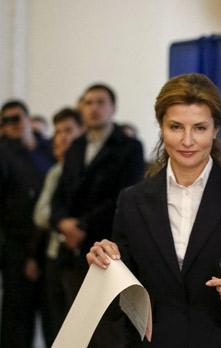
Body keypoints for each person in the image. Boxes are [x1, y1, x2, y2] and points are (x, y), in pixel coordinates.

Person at [86, 73, 221, 347]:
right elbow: (120, 303)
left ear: (215, 130)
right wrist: (104, 267)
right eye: (176, 127)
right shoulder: (133, 200)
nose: (187, 140)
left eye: (199, 128)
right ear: (161, 127)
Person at [51, 83, 144, 346]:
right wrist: (62, 222)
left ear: (112, 108)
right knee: (78, 330)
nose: (94, 108)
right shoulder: (76, 147)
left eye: (100, 102)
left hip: (108, 250)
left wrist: (81, 224)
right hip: (73, 249)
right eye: (88, 102)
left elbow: (123, 197)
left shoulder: (129, 147)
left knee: (108, 330)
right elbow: (60, 195)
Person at [0, 99, 54, 347]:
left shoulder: (45, 148)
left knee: (53, 315)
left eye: (16, 118)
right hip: (16, 245)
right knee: (17, 317)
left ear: (27, 119)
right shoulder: (4, 152)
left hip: (48, 243)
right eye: (6, 121)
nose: (12, 124)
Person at [32, 107, 84, 346]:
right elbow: (41, 215)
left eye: (68, 131)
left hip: (84, 257)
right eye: (58, 132)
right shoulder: (56, 170)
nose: (62, 137)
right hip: (56, 255)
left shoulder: (89, 168)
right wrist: (65, 223)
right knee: (57, 326)